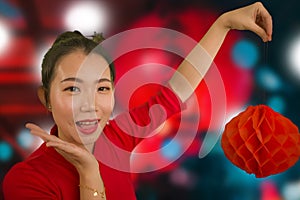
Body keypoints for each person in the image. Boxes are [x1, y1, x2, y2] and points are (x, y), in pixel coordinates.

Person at [2, 2, 272, 200]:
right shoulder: (26, 179)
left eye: (102, 88)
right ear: (46, 98)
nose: (89, 104)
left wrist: (223, 24)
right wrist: (89, 172)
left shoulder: (116, 138)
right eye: (72, 89)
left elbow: (177, 89)